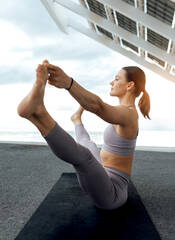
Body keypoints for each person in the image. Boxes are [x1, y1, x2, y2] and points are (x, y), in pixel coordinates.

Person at [17, 60, 151, 210]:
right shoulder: (124, 111)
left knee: (85, 155)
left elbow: (98, 106)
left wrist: (68, 82)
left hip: (112, 193)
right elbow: (96, 104)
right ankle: (74, 119)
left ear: (130, 85)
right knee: (89, 145)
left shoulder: (130, 115)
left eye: (117, 79)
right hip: (101, 173)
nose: (111, 82)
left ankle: (40, 115)